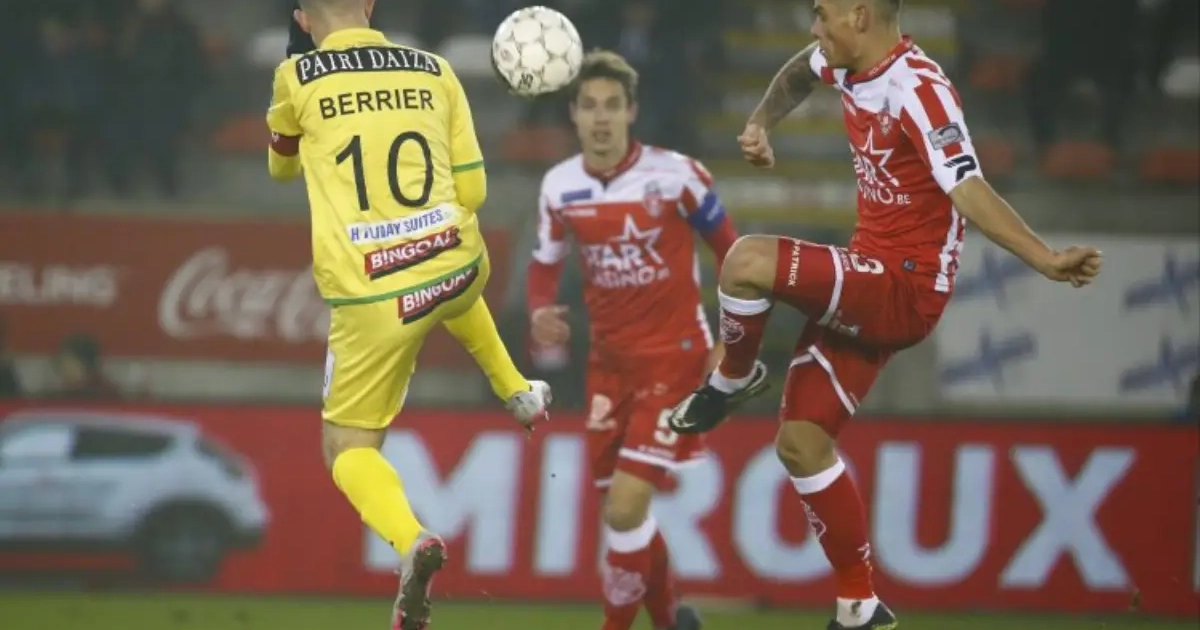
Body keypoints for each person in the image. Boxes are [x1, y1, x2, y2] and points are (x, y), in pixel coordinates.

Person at [666, 1, 1104, 629]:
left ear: (860, 15)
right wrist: (761, 121)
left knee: (745, 261)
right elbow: (799, 70)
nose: (814, 28)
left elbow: (968, 187)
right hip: (869, 278)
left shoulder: (920, 91)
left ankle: (732, 379)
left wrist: (1046, 258)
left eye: (822, 15)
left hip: (905, 288)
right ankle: (859, 607)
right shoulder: (846, 59)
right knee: (800, 444)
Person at [266, 2, 551, 628]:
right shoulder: (434, 68)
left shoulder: (295, 77)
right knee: (454, 275)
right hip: (458, 263)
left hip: (374, 296)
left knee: (346, 449)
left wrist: (301, 78)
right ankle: (517, 389)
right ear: (370, 4)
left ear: (303, 19)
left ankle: (411, 540)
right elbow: (474, 192)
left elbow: (281, 168)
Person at [527, 50, 736, 630]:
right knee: (627, 517)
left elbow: (733, 255)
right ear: (574, 114)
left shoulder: (677, 177)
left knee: (623, 508)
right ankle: (671, 624)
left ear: (631, 112)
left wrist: (732, 339)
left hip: (675, 360)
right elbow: (544, 264)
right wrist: (540, 312)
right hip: (608, 367)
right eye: (590, 106)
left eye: (612, 105)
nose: (601, 117)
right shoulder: (559, 186)